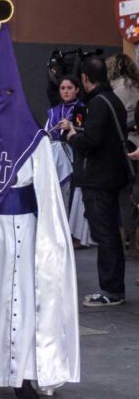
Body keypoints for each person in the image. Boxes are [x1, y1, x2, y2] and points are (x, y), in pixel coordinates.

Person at [0, 25, 80, 399]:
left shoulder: (35, 141)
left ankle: (23, 373)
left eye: (9, 94)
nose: (3, 101)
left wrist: (50, 238)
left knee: (23, 302)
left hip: (25, 230)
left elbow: (48, 194)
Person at [64, 56, 131, 307]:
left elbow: (91, 142)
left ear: (84, 78)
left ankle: (111, 290)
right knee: (109, 233)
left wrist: (72, 135)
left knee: (105, 235)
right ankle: (114, 288)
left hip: (99, 179)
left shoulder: (98, 104)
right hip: (111, 177)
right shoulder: (112, 100)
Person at [107, 54, 139, 251]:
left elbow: (114, 117)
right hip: (137, 140)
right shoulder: (136, 85)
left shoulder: (116, 89)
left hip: (126, 143)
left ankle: (129, 238)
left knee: (125, 194)